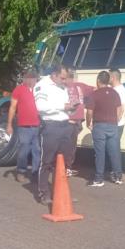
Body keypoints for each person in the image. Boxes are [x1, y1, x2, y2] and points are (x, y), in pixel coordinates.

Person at [33, 65, 77, 205]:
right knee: (47, 162)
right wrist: (62, 106)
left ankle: (61, 193)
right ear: (54, 75)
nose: (65, 81)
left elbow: (65, 109)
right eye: (62, 78)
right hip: (50, 127)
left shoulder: (62, 87)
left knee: (63, 163)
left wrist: (71, 108)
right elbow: (40, 107)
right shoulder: (42, 85)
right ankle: (43, 194)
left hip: (65, 125)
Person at [85, 71, 123, 187]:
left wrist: (88, 123)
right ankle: (118, 177)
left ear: (98, 81)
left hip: (99, 126)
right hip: (113, 125)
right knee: (114, 152)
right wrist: (114, 121)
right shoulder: (115, 93)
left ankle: (99, 179)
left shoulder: (94, 95)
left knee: (100, 153)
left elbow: (89, 112)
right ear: (108, 81)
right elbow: (119, 109)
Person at [5, 69, 41, 182]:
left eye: (33, 78)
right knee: (24, 150)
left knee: (37, 150)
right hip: (24, 126)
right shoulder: (18, 89)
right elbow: (12, 107)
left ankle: (36, 173)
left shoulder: (39, 90)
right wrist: (9, 124)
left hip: (38, 126)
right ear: (25, 78)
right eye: (29, 78)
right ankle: (21, 171)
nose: (31, 80)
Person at [62, 66, 95, 177]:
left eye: (72, 75)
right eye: (69, 75)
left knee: (71, 146)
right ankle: (61, 167)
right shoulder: (61, 88)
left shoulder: (81, 86)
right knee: (65, 145)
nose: (71, 78)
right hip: (65, 121)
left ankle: (67, 167)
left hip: (77, 122)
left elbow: (95, 90)